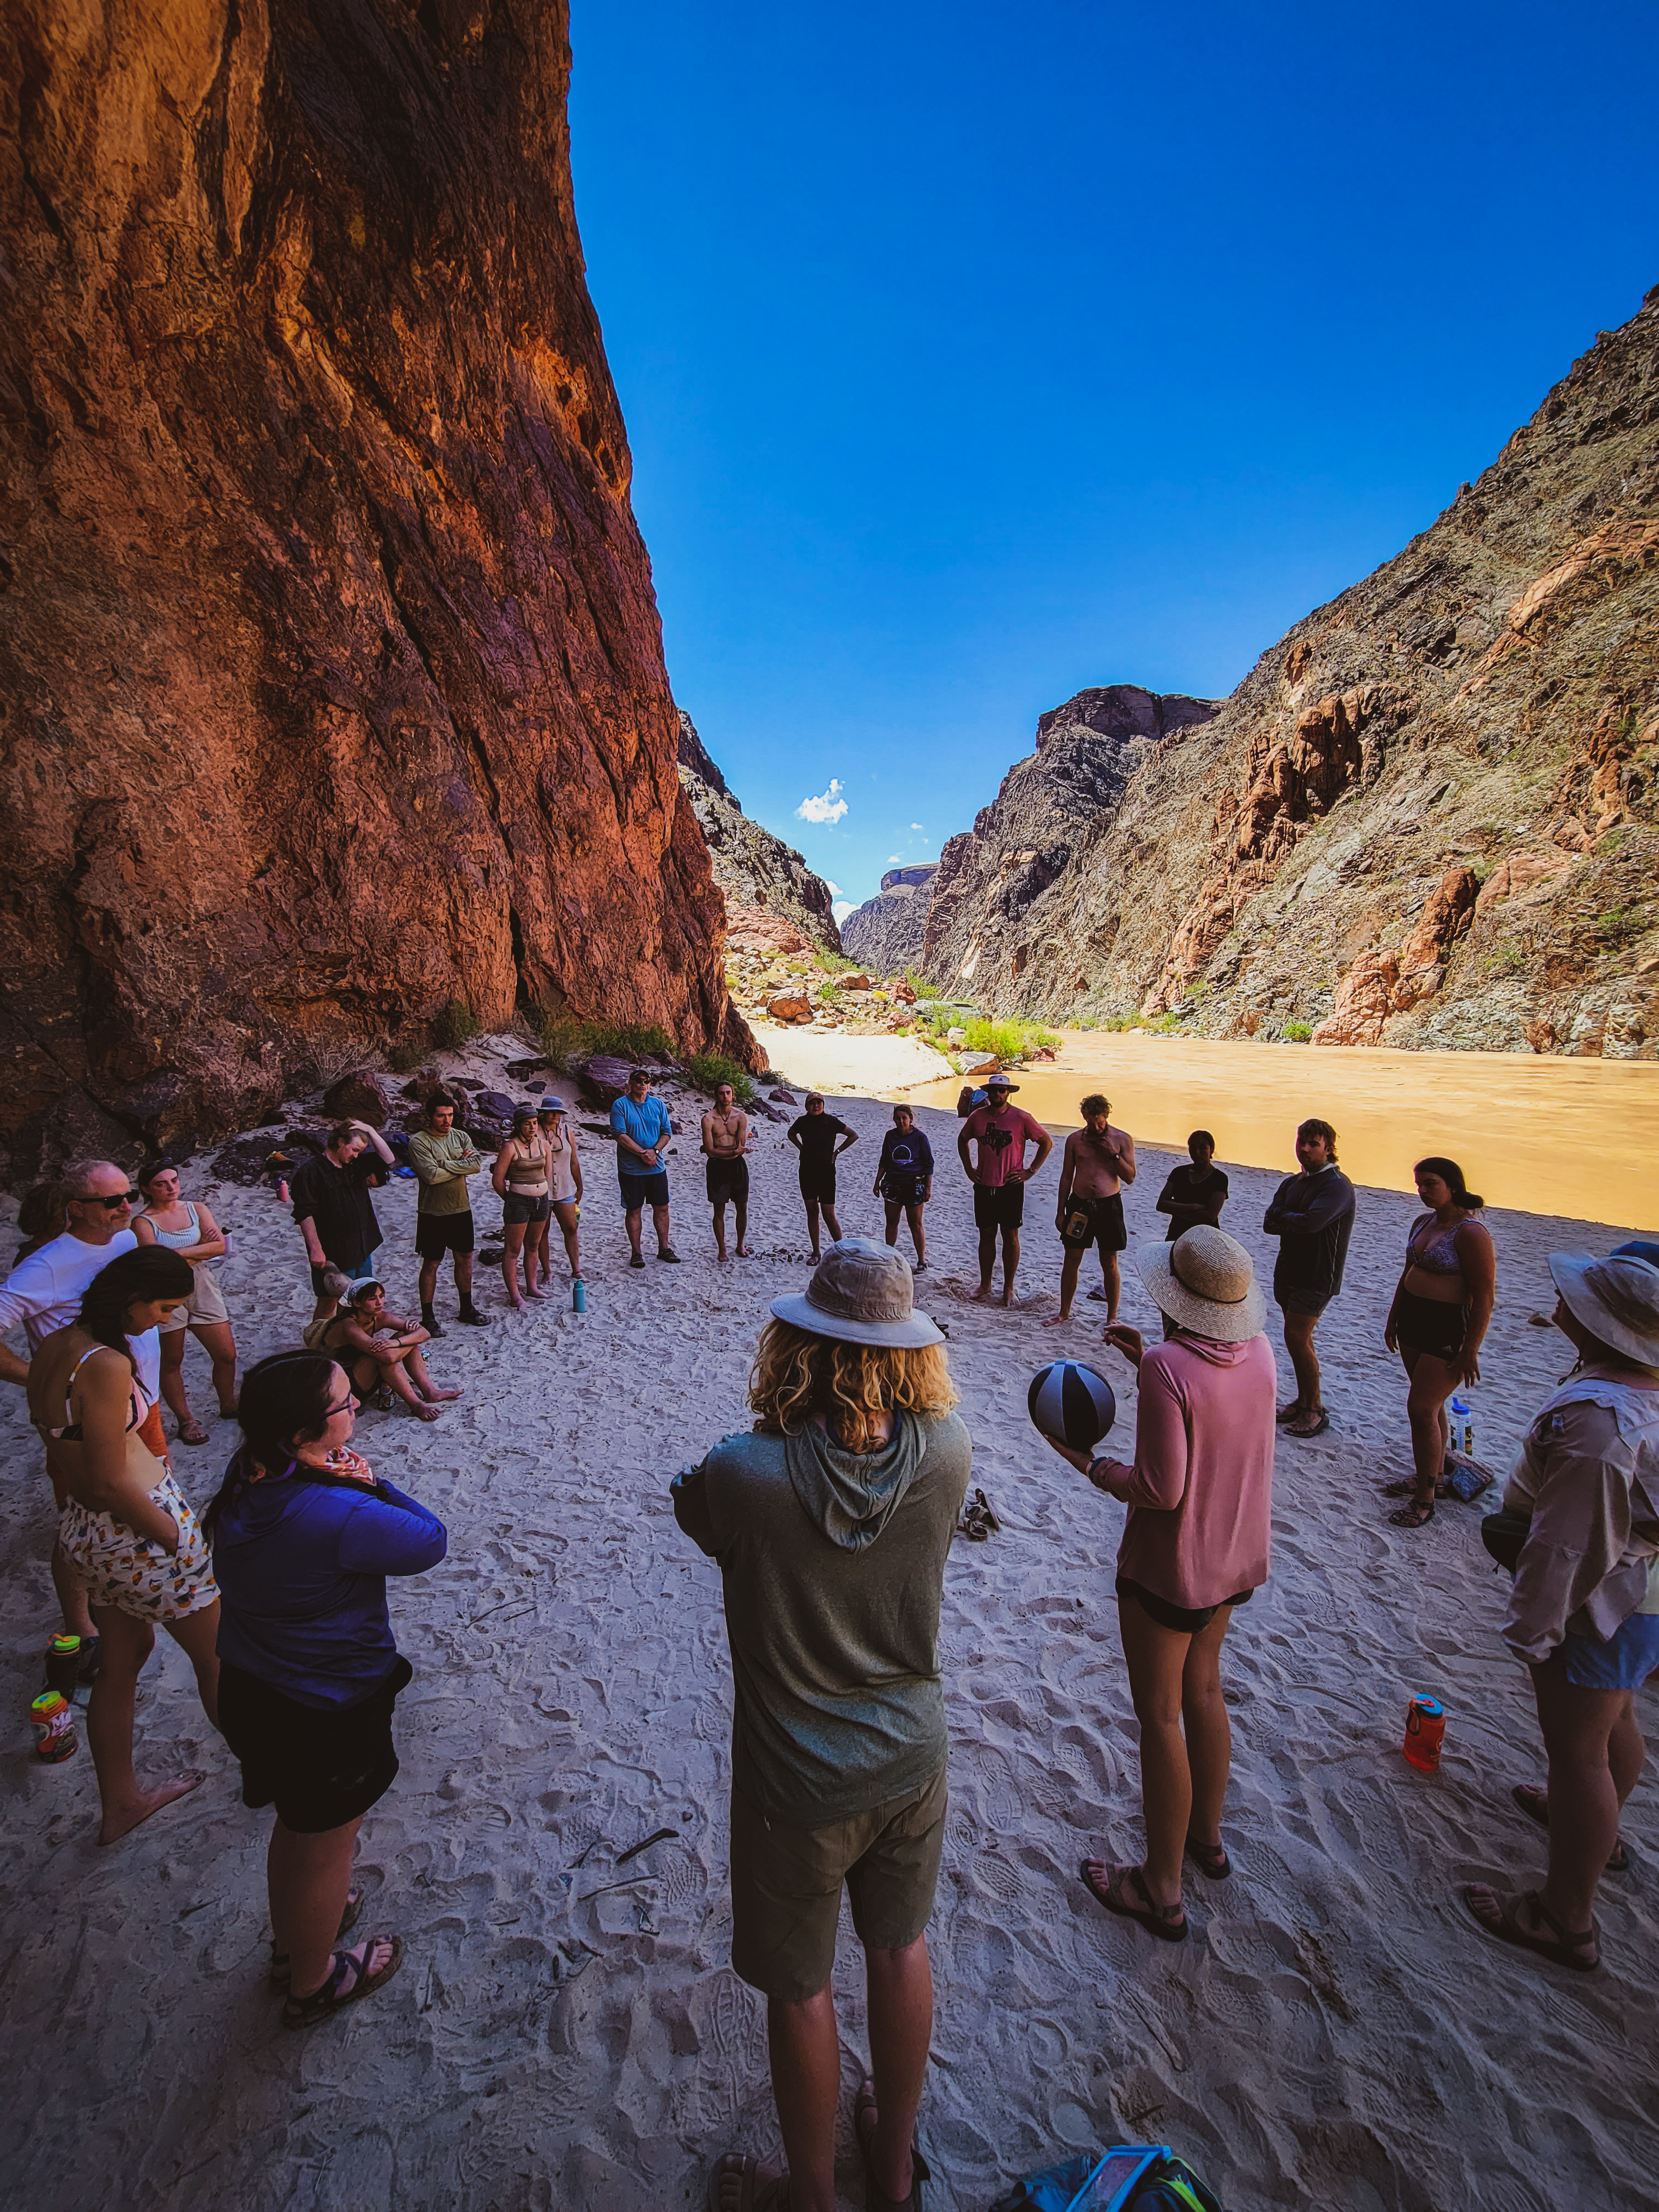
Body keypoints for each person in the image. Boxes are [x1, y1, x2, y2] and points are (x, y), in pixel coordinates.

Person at [673, 1240, 970, 2212]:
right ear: (908, 1350)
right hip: (911, 1757)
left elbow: (701, 1513)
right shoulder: (948, 1451)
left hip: (795, 1783)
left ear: (795, 1345)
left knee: (800, 1992)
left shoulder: (743, 1472)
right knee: (899, 1947)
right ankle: (891, 2174)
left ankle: (809, 2196)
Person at [1043, 1227, 1276, 1943]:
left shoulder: (1169, 1370)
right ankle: (1206, 1840)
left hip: (1172, 1568)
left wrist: (1083, 1461)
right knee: (1204, 1690)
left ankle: (1160, 1887)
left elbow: (1158, 1488)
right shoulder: (1260, 1352)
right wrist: (1152, 1356)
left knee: (1161, 1716)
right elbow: (1218, 1411)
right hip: (1236, 1557)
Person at [203, 1350, 447, 2029]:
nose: (357, 1408)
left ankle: (297, 1940)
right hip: (325, 1702)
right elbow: (427, 1542)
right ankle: (312, 1981)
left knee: (300, 1830)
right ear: (302, 1436)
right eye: (344, 1404)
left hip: (255, 1681)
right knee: (325, 1842)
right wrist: (371, 1483)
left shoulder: (250, 1474)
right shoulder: (331, 1510)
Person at [1463, 1251, 1659, 1975]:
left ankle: (1565, 1917)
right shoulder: (1638, 1391)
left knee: (1580, 1753)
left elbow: (1569, 1546)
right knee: (1615, 1722)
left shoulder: (1602, 1426)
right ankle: (1593, 1834)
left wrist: (1534, 1631)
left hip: (1602, 1602)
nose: (1561, 1300)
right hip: (1641, 1597)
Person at [26, 1246, 221, 1843]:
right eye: (162, 1308)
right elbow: (112, 1478)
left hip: (87, 1532)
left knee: (121, 1661)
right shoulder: (105, 1365)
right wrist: (170, 1532)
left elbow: (76, 1460)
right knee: (218, 1657)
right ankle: (271, 1772)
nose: (164, 1319)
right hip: (136, 1530)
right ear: (131, 1299)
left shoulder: (56, 1345)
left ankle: (121, 1805)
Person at [0, 1158, 161, 1652]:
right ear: (77, 1209)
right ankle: (81, 1627)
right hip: (82, 1422)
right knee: (81, 1518)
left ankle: (133, 1594)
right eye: (112, 1201)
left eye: (128, 1195)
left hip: (142, 1404)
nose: (126, 1206)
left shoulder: (127, 1240)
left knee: (145, 1500)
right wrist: (43, 1382)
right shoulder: (47, 1266)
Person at [1380, 1158, 1497, 1528]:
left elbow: (1484, 1296)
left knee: (1421, 1408)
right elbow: (1407, 1272)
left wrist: (1470, 1349)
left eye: (1430, 1184)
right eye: (1419, 1184)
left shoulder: (1471, 1233)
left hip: (1448, 1330)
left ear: (1452, 1185)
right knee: (1431, 1406)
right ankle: (1434, 1475)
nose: (1423, 1191)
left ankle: (1425, 1499)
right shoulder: (1424, 1222)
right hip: (1415, 1322)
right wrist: (1394, 1316)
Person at [1262, 1119, 1356, 1439]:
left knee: (1297, 1337)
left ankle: (1314, 1409)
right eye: (1301, 1141)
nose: (1305, 1149)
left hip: (1317, 1275)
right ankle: (1303, 1400)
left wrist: (1288, 1219)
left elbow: (1312, 1223)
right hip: (1289, 1270)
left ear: (1328, 1149)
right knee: (1298, 1339)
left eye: (1313, 1144)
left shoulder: (1337, 1185)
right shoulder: (1293, 1183)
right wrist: (1292, 1220)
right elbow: (1268, 1222)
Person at [133, 1160, 239, 1444]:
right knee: (172, 1359)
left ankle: (228, 1403)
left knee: (226, 1353)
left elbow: (220, 1247)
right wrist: (199, 1249)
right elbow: (153, 1261)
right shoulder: (143, 1221)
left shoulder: (196, 1208)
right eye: (161, 1183)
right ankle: (186, 1420)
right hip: (165, 1290)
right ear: (146, 1189)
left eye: (174, 1181)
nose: (171, 1188)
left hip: (201, 1284)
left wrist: (177, 1253)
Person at [957, 1075, 1052, 1306]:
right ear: (988, 1093)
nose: (997, 1095)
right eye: (993, 1091)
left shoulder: (1021, 1118)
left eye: (1002, 1090)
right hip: (984, 1185)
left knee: (1010, 1237)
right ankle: (986, 1283)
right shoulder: (977, 1117)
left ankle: (1008, 1287)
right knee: (986, 1235)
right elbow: (963, 1140)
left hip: (1011, 1186)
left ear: (1008, 1092)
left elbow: (1046, 1142)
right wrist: (970, 1169)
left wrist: (1031, 1170)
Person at [311, 1278, 461, 1422]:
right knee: (381, 1357)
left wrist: (396, 1342)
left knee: (405, 1337)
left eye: (381, 1296)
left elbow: (425, 1333)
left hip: (362, 1373)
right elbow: (387, 1357)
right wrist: (401, 1345)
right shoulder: (348, 1325)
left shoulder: (380, 1317)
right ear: (357, 1302)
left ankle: (430, 1392)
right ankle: (416, 1405)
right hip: (343, 1385)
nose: (379, 1302)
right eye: (372, 1299)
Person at [290, 1120, 394, 1324]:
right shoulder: (310, 1172)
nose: (356, 1155)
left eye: (360, 1151)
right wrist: (316, 1249)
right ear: (340, 1142)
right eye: (354, 1149)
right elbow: (304, 1213)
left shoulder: (356, 1164)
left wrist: (370, 1129)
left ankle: (347, 1341)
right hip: (334, 1250)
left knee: (361, 1297)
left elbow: (388, 1159)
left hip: (363, 1245)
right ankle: (319, 1343)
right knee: (330, 1301)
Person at [1047, 1093, 1135, 1326]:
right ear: (1084, 1116)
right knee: (1072, 1258)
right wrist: (1060, 1211)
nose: (1096, 1127)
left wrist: (1113, 1154)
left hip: (1109, 1207)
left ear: (1106, 1116)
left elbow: (1130, 1177)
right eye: (1091, 1122)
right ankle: (1064, 1312)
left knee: (1109, 1262)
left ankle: (1112, 1317)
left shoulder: (1122, 1139)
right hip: (1080, 1206)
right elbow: (1067, 1176)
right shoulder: (1075, 1140)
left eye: (1101, 1122)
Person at [407, 1091, 488, 1331]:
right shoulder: (420, 1142)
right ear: (430, 1117)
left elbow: (476, 1164)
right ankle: (428, 1316)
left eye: (450, 1115)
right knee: (432, 1262)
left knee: (465, 1258)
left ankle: (466, 1308)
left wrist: (445, 1164)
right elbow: (431, 1176)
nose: (447, 1121)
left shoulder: (461, 1136)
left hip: (461, 1209)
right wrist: (459, 1167)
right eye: (441, 1116)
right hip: (433, 1213)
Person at [610, 1068, 680, 1268]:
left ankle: (664, 1248)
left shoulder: (658, 1105)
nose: (642, 1083)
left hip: (656, 1167)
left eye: (646, 1080)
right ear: (630, 1083)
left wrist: (655, 1152)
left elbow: (666, 1132)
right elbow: (619, 1134)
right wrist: (642, 1153)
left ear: (650, 1084)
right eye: (638, 1080)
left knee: (662, 1207)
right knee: (634, 1210)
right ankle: (637, 1252)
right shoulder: (620, 1105)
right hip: (631, 1169)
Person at [492, 1105, 553, 1307]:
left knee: (533, 1245)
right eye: (527, 1124)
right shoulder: (510, 1147)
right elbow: (498, 1180)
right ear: (518, 1126)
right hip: (518, 1201)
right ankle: (515, 1294)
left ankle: (532, 1286)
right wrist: (511, 1200)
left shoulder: (544, 1145)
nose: (532, 1127)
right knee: (512, 1249)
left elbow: (548, 1173)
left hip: (542, 1200)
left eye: (535, 1123)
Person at [788, 1093, 859, 1261]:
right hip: (806, 1171)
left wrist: (837, 1152)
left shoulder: (831, 1121)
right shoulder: (802, 1122)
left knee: (829, 1214)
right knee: (812, 1211)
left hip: (827, 1172)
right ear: (807, 1106)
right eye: (812, 1103)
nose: (816, 1106)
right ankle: (816, 1252)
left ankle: (842, 1251)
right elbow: (791, 1134)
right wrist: (801, 1147)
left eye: (819, 1103)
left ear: (823, 1105)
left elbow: (853, 1135)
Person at [873, 1104, 933, 1271]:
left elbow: (929, 1164)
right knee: (892, 1222)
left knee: (916, 1224)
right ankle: (889, 1255)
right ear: (894, 1120)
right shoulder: (890, 1136)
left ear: (910, 1119)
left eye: (904, 1118)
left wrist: (928, 1188)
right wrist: (877, 1181)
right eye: (898, 1118)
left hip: (914, 1185)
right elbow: (884, 1160)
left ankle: (921, 1261)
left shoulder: (920, 1138)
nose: (901, 1121)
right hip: (893, 1183)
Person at [701, 1081, 753, 1261]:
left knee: (742, 1207)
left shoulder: (741, 1117)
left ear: (733, 1095)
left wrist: (732, 1151)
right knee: (719, 1210)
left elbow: (741, 1145)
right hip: (717, 1167)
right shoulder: (708, 1119)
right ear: (716, 1096)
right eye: (722, 1093)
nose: (725, 1097)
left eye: (728, 1093)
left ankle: (740, 1244)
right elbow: (710, 1151)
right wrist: (732, 1152)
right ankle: (722, 1248)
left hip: (737, 1166)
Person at [536, 1096, 584, 1286]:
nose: (556, 1115)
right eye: (551, 1112)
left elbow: (573, 1160)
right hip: (541, 1190)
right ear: (544, 1112)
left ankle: (577, 1269)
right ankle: (547, 1271)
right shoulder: (534, 1130)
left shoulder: (567, 1131)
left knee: (571, 1228)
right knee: (542, 1232)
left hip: (565, 1188)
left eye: (559, 1112)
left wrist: (580, 1186)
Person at [1154, 1131, 1229, 1243]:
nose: (1197, 1152)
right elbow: (1161, 1205)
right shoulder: (1179, 1173)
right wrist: (1193, 1207)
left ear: (1211, 1150)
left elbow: (1210, 1216)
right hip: (1177, 1235)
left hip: (1206, 1239)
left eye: (1203, 1148)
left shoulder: (1220, 1178)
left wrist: (1176, 1210)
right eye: (1193, 1147)